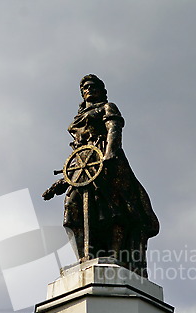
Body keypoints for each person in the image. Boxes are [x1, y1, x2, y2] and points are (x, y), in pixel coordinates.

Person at [42, 74, 159, 277]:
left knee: (112, 208)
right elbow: (78, 150)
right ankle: (84, 257)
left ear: (101, 90)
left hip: (106, 160)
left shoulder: (107, 107)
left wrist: (111, 153)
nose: (88, 89)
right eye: (85, 87)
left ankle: (115, 255)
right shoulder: (78, 117)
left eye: (92, 86)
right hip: (84, 163)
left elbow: (114, 128)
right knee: (71, 208)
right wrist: (65, 180)